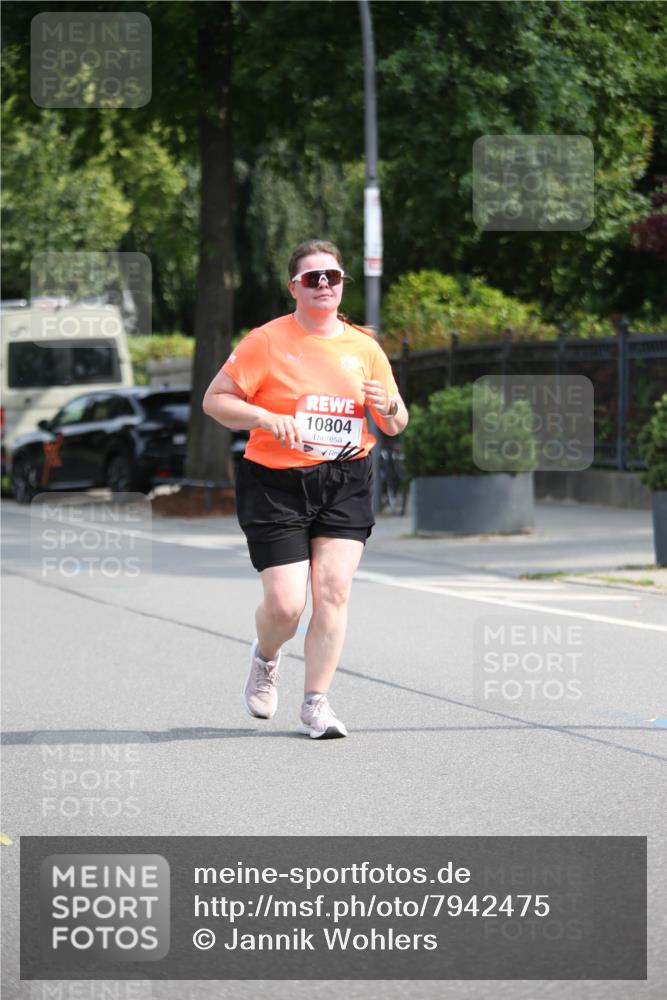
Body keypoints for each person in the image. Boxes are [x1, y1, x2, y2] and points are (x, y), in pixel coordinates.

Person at [202, 239, 408, 739]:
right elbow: (215, 401)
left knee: (333, 590)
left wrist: (387, 407)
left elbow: (398, 422)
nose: (323, 285)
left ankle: (317, 703)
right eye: (312, 278)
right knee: (286, 605)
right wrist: (265, 417)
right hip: (275, 482)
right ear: (293, 286)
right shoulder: (266, 341)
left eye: (332, 277)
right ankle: (266, 655)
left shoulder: (364, 348)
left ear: (342, 285)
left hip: (345, 477)